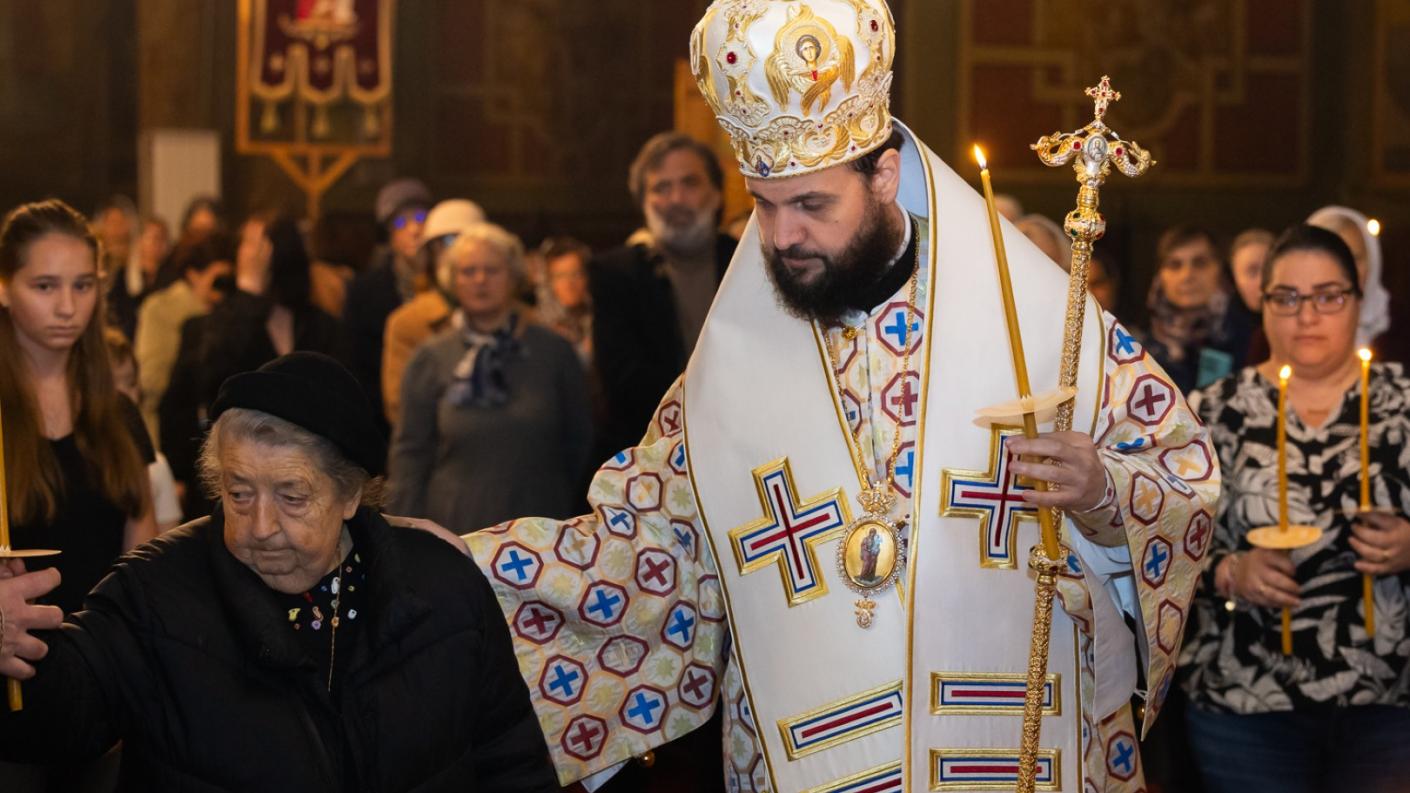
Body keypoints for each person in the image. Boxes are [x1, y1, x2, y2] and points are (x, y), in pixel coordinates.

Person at [451, 3, 1217, 791]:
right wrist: (448, 572)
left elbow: (1182, 475)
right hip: (812, 755)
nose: (782, 237)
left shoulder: (1034, 320)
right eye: (764, 204)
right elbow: (650, 552)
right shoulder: (731, 368)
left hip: (1013, 744)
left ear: (882, 173)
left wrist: (1101, 492)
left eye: (812, 205)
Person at [0, 352, 559, 791]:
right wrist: (10, 657)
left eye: (292, 496)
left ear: (349, 496)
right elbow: (54, 722)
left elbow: (513, 764)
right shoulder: (156, 591)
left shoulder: (444, 588)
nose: (259, 526)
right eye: (239, 493)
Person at [1179, 224, 1410, 793]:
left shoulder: (1403, 402)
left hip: (1387, 696)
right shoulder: (1209, 411)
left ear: (1360, 300)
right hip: (1245, 699)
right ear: (1262, 304)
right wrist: (1231, 571)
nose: (1307, 316)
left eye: (1329, 295)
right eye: (1287, 298)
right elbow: (1161, 544)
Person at [0, 200, 157, 615]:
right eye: (45, 286)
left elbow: (143, 565)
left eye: (83, 285)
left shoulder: (119, 414)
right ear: (3, 287)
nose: (68, 308)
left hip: (107, 661)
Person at [390, 223, 591, 534]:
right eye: (468, 271)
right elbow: (410, 457)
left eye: (492, 270)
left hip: (540, 527)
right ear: (452, 281)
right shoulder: (430, 359)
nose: (480, 280)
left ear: (513, 277)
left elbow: (579, 443)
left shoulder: (554, 353)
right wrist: (406, 533)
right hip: (453, 527)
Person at [590, 132, 735, 461]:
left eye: (689, 183)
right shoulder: (616, 274)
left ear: (715, 193)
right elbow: (624, 382)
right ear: (643, 202)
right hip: (648, 457)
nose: (676, 199)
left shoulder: (747, 260)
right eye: (661, 188)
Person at [381, 198, 486, 427]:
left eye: (466, 242)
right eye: (446, 243)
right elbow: (402, 410)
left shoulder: (520, 319)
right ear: (430, 255)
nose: (457, 254)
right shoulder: (409, 323)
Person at [342, 178, 434, 436]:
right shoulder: (364, 291)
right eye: (401, 223)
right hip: (386, 426)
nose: (414, 230)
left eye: (420, 218)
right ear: (390, 236)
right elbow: (357, 366)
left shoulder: (451, 285)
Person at [134, 236, 232, 441]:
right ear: (193, 275)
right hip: (166, 431)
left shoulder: (230, 314)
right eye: (218, 279)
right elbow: (150, 381)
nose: (222, 290)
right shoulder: (161, 308)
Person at [1139, 224, 1252, 393]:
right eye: (1174, 265)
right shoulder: (1136, 346)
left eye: (1200, 263)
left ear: (1221, 269)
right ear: (1159, 275)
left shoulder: (1251, 338)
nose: (1187, 276)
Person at [106, 329, 184, 533]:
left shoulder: (156, 465)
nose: (124, 396)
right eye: (110, 385)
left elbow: (166, 544)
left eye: (131, 383)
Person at [1307, 206, 1392, 352]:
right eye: (1330, 261)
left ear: (1372, 261)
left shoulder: (1401, 328)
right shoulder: (1281, 334)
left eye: (1354, 259)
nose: (1343, 273)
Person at [535, 236, 594, 365]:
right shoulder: (536, 327)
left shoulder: (600, 322)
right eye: (560, 276)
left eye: (576, 274)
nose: (569, 284)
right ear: (548, 282)